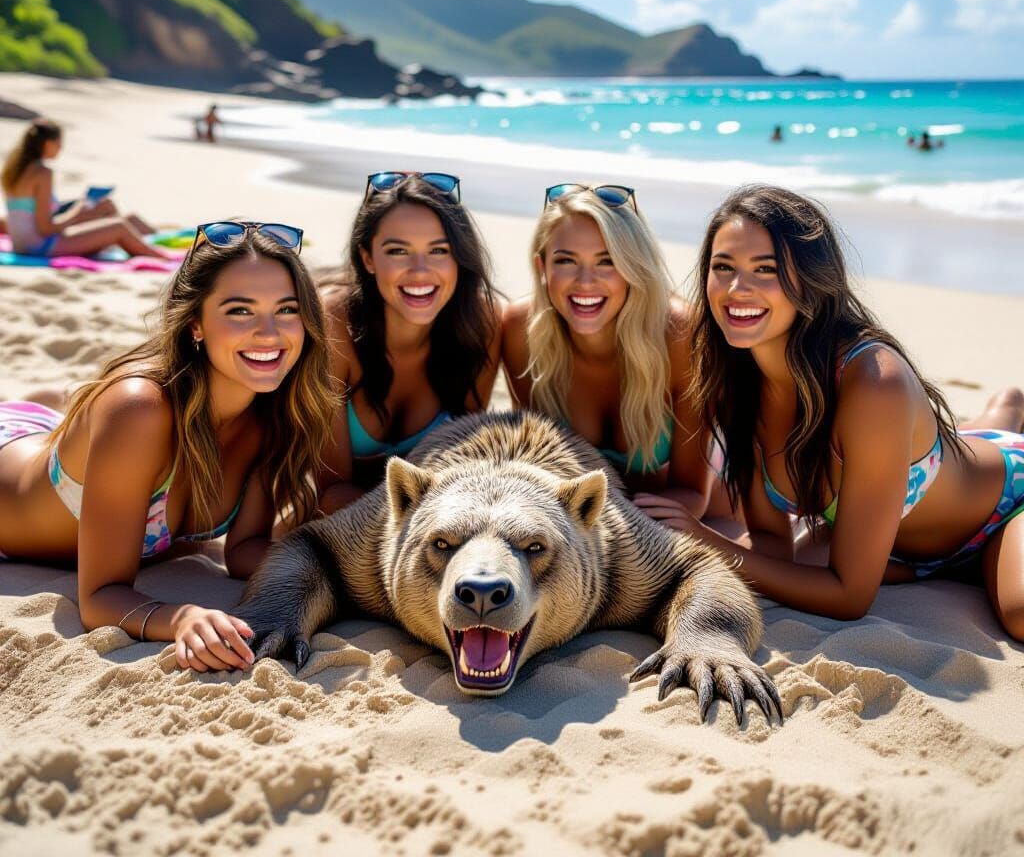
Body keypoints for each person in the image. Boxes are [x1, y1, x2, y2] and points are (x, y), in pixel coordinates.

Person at [638, 184, 1024, 639]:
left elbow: (849, 596)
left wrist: (708, 542)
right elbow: (770, 542)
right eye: (724, 267)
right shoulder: (731, 377)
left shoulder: (875, 382)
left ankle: (1007, 413)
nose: (738, 288)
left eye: (767, 269)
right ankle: (1001, 413)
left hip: (1002, 509)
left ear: (810, 278)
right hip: (898, 553)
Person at [0, 221, 336, 670]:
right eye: (240, 311)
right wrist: (181, 618)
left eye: (287, 309)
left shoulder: (273, 413)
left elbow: (241, 552)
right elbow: (98, 598)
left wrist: (337, 571)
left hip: (60, 443)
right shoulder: (140, 411)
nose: (269, 332)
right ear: (196, 323)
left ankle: (56, 406)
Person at [502, 184, 709, 514]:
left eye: (607, 262)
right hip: (583, 523)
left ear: (633, 269)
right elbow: (533, 464)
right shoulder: (519, 330)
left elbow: (692, 493)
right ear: (543, 269)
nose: (585, 281)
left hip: (698, 515)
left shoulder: (679, 334)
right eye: (566, 261)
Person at [317, 172, 502, 512]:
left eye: (439, 250)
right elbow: (329, 492)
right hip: (326, 522)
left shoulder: (481, 324)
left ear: (459, 258)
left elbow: (462, 459)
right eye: (398, 251)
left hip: (423, 522)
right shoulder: (335, 323)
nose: (420, 271)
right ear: (368, 258)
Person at [2, 118, 165, 259]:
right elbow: (45, 229)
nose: (60, 148)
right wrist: (76, 213)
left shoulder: (14, 170)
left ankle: (155, 250)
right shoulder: (43, 172)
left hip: (23, 246)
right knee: (118, 227)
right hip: (39, 247)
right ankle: (165, 260)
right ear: (48, 144)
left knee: (118, 221)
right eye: (59, 144)